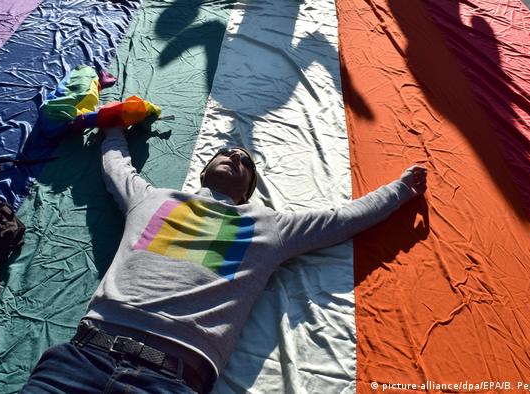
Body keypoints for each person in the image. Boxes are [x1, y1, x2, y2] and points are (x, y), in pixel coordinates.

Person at [22, 126, 428, 393]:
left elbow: (342, 219)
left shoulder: (269, 227)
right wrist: (113, 127)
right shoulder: (154, 199)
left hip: (167, 379)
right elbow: (116, 167)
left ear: (248, 190)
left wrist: (401, 190)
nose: (235, 156)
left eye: (245, 162)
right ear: (204, 170)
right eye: (226, 151)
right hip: (81, 358)